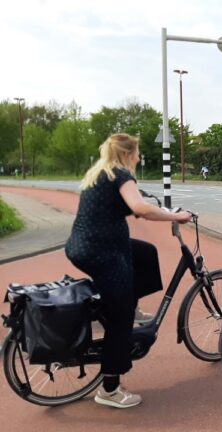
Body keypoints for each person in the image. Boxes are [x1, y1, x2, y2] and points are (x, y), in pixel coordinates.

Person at [65, 133, 192, 408]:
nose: (139, 158)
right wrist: (176, 216)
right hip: (102, 252)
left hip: (86, 245)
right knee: (119, 317)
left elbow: (128, 204)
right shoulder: (122, 174)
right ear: (128, 154)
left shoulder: (99, 172)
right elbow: (139, 208)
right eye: (137, 153)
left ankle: (129, 305)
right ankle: (109, 389)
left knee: (146, 253)